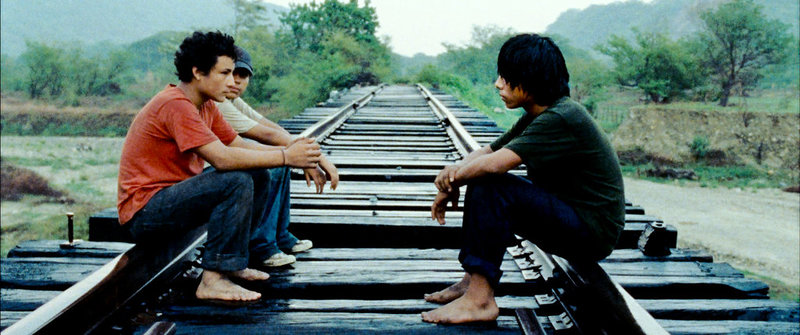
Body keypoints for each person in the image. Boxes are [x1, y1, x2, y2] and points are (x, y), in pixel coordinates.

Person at [421, 33, 625, 324]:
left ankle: (480, 301)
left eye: (506, 77)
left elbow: (494, 165)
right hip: (574, 216)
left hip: (591, 232)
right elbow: (487, 151)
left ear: (530, 80)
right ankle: (472, 283)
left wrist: (452, 182)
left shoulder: (562, 117)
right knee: (483, 180)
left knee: (491, 186)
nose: (498, 84)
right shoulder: (540, 114)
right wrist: (450, 176)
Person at [117, 31, 322, 302]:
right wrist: (286, 156)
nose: (232, 81)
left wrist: (302, 155)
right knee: (233, 180)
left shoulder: (206, 106)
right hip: (145, 213)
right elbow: (223, 158)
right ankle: (213, 280)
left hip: (172, 199)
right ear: (198, 72)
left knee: (259, 174)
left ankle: (232, 265)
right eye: (224, 73)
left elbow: (238, 144)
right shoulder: (176, 104)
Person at [214, 46, 339, 266]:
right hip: (210, 169)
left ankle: (279, 235)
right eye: (230, 73)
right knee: (276, 163)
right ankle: (261, 246)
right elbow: (264, 134)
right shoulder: (217, 102)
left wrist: (306, 153)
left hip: (218, 165)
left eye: (243, 75)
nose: (236, 81)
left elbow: (269, 125)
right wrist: (316, 158)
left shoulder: (231, 100)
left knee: (282, 161)